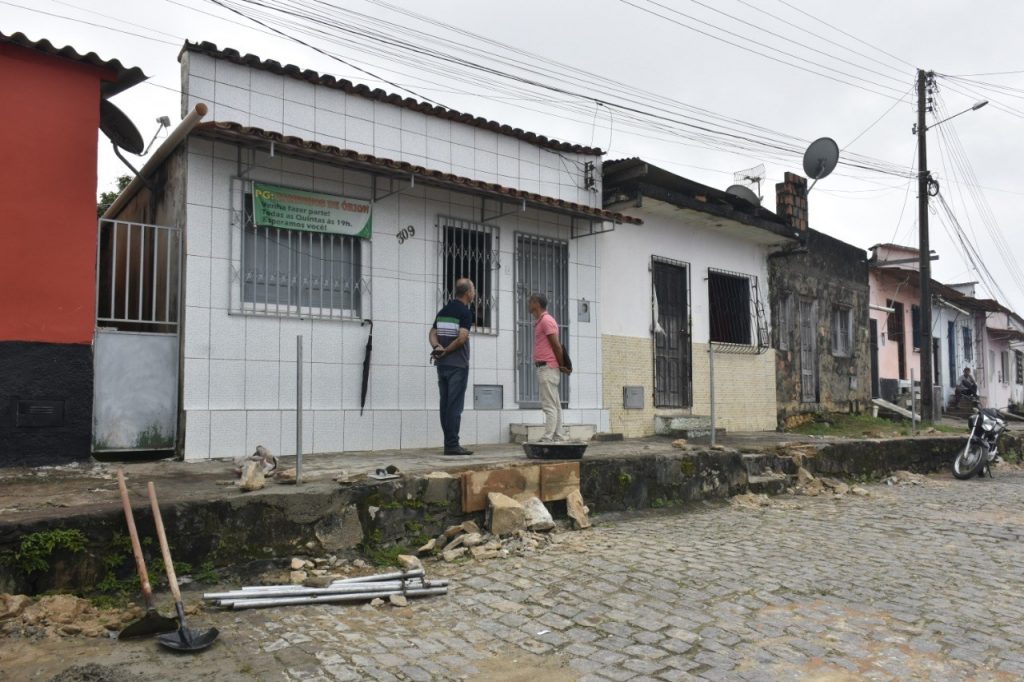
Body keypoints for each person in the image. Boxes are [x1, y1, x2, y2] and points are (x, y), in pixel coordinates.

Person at [429, 278, 475, 456]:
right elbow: (462, 337)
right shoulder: (464, 312)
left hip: (442, 366)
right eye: (474, 290)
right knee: (455, 406)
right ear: (467, 293)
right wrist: (446, 350)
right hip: (458, 365)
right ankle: (452, 445)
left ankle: (449, 443)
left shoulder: (443, 311)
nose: (474, 293)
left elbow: (432, 333)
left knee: (445, 404)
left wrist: (437, 347)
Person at [529, 293, 571, 442]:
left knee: (549, 405)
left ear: (536, 303)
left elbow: (556, 346)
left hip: (547, 367)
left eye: (530, 301)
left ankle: (547, 438)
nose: (528, 304)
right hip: (547, 367)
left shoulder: (546, 320)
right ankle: (558, 436)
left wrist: (561, 365)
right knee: (555, 404)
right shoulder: (543, 321)